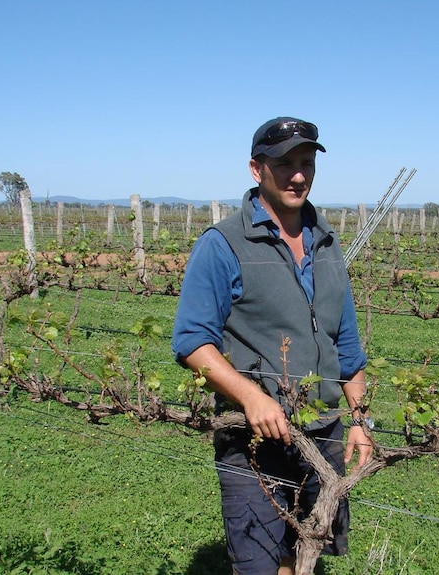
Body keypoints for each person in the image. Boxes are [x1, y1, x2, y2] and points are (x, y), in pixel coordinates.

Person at [171, 116, 373, 574]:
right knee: (259, 564)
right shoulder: (223, 244)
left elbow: (347, 343)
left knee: (305, 555)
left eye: (306, 163)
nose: (298, 175)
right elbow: (191, 341)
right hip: (253, 438)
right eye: (284, 164)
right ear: (256, 168)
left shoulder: (327, 242)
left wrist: (359, 420)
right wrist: (251, 396)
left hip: (323, 433)